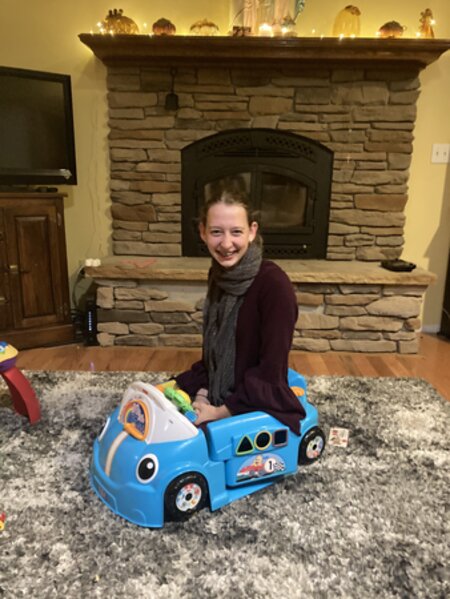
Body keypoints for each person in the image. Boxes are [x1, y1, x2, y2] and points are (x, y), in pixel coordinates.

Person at [174, 187, 305, 434]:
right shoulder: (219, 273)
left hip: (254, 393)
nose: (226, 244)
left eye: (236, 232)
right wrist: (202, 393)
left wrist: (218, 413)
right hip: (225, 382)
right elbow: (214, 353)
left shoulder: (274, 286)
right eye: (216, 232)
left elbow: (271, 369)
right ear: (203, 232)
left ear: (252, 231)